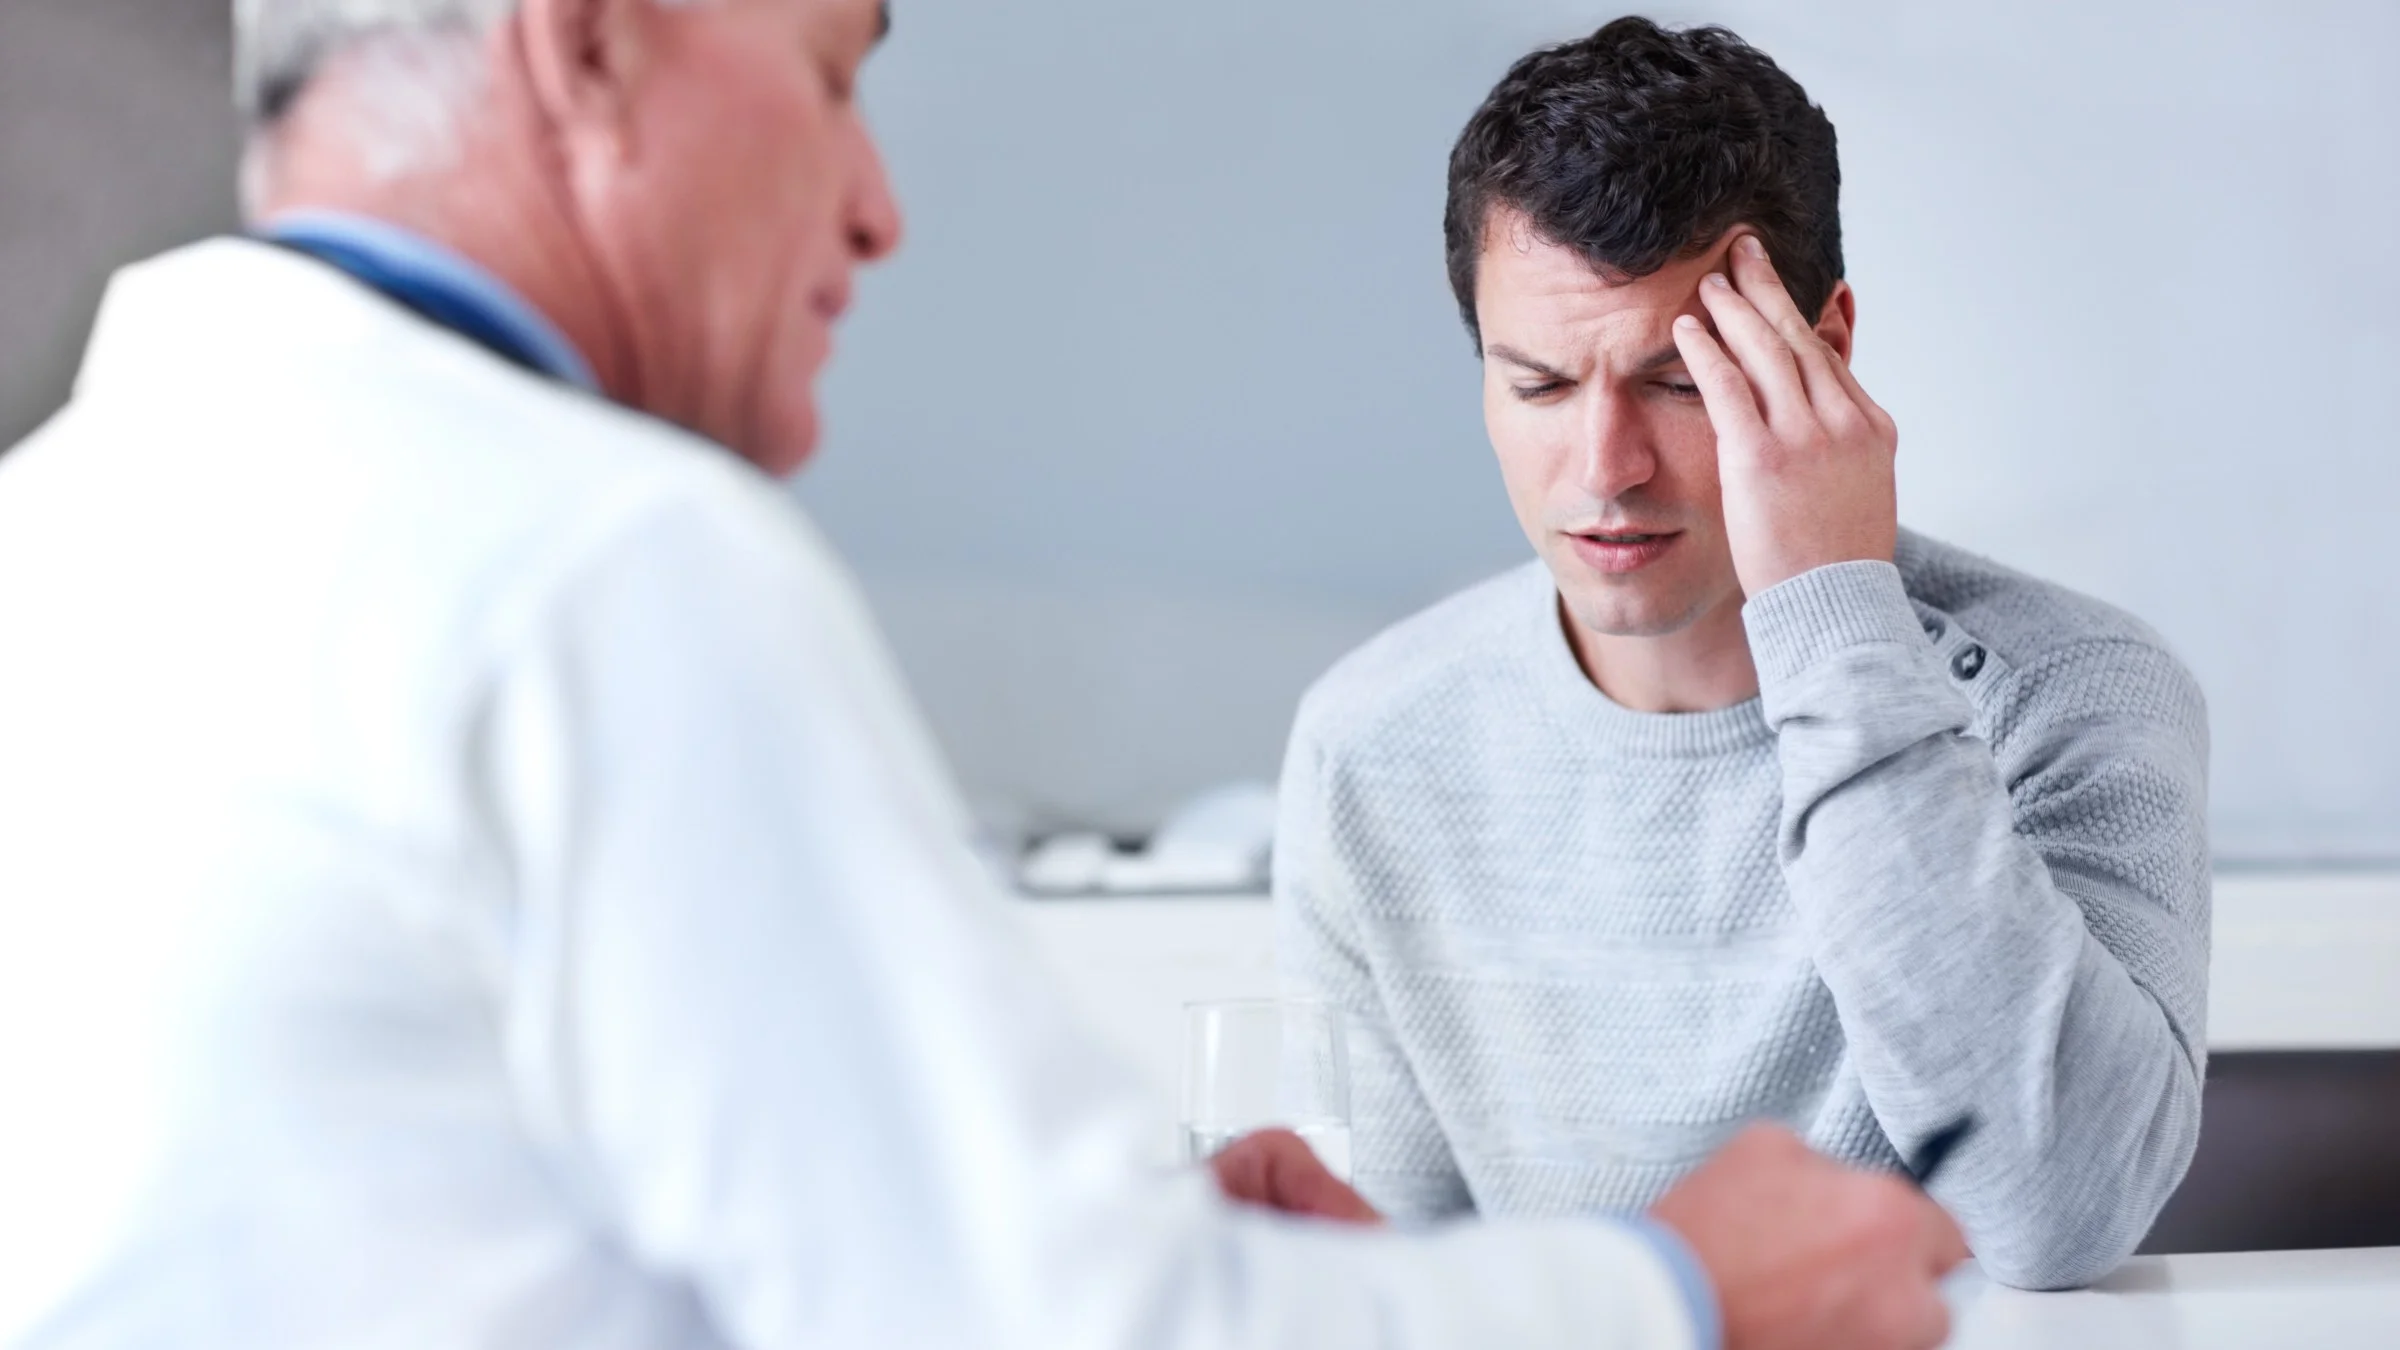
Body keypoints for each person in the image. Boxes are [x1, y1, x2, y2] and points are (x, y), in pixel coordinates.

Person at [0, 2, 1967, 1347]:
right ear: (586, 44)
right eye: (831, 65)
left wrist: (1144, 1238)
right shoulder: (599, 562)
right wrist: (1684, 1291)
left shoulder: (72, 524)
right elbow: (1042, 1331)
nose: (878, 201)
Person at [1273, 16, 2211, 1294]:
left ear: (1824, 350)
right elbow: (1386, 1287)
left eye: (1675, 382)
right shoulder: (1375, 741)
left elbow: (2059, 1212)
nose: (1603, 472)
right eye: (1540, 387)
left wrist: (1834, 605)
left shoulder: (2070, 688)